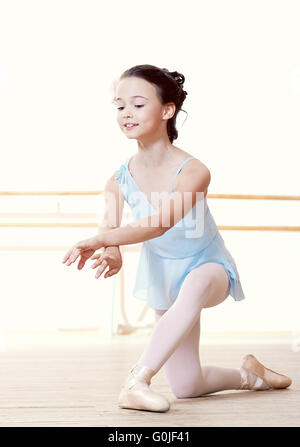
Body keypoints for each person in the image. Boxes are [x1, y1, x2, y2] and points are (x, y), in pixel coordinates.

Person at [62, 64, 292, 412]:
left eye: (138, 104)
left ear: (167, 110)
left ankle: (136, 380)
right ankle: (251, 376)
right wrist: (111, 250)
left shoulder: (194, 171)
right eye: (120, 105)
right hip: (162, 275)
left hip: (207, 265)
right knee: (187, 385)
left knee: (197, 284)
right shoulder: (117, 180)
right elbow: (111, 231)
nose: (126, 113)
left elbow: (159, 225)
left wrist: (99, 239)